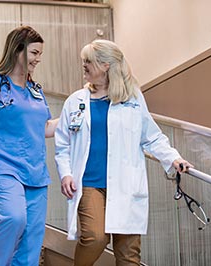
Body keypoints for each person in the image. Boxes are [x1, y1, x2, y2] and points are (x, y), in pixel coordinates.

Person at [54, 39, 193, 266]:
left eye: (89, 61)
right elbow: (62, 144)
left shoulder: (133, 99)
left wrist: (173, 158)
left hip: (126, 183)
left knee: (128, 253)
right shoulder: (75, 101)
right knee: (95, 238)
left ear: (106, 65)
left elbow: (152, 136)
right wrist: (66, 173)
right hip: (89, 183)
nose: (84, 66)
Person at [0, 25, 58, 266]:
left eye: (40, 54)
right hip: (2, 168)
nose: (38, 59)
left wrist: (77, 116)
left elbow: (46, 128)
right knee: (13, 217)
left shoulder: (35, 90)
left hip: (36, 174)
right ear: (17, 50)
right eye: (34, 53)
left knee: (32, 237)